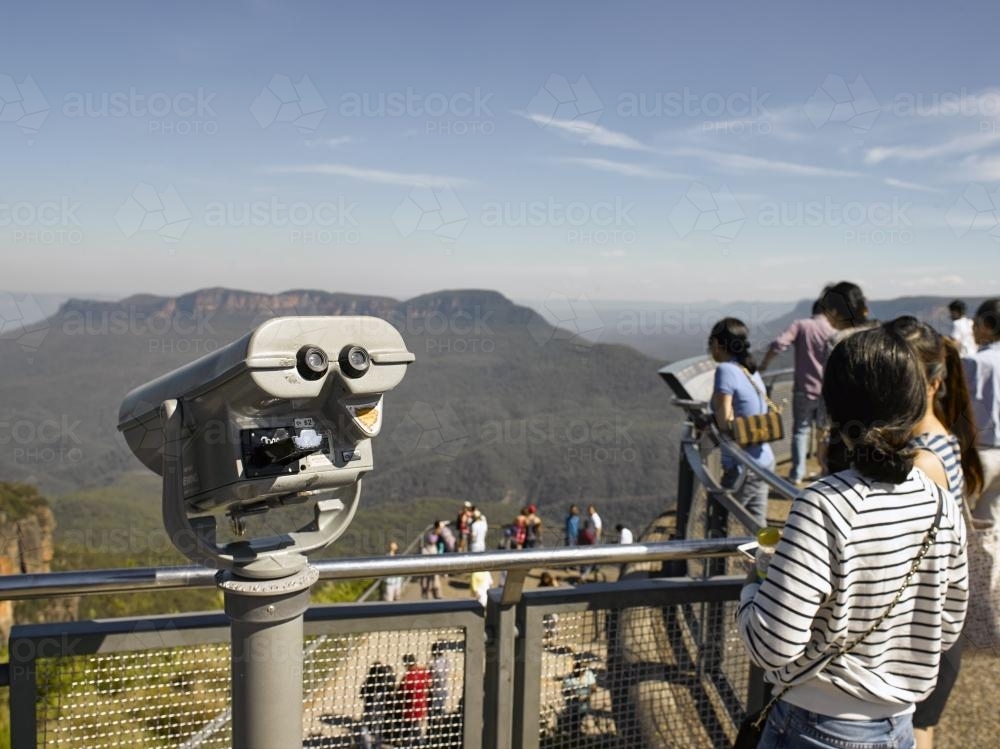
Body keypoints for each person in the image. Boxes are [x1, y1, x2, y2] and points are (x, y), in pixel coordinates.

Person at [737, 326, 968, 749]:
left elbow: (771, 645)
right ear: (916, 402)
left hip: (813, 727)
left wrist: (754, 583)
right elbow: (948, 624)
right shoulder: (940, 503)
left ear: (833, 410)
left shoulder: (822, 505)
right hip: (898, 729)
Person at [893, 316, 983, 749]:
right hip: (939, 621)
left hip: (925, 625)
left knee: (916, 729)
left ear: (931, 382)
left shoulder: (924, 457)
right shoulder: (942, 439)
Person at [759, 289, 837, 484]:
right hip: (827, 393)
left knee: (801, 431)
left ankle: (797, 474)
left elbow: (778, 344)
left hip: (804, 390)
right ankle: (824, 470)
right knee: (823, 432)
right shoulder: (833, 332)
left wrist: (763, 366)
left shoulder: (801, 325)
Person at [708, 317, 776, 529]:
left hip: (742, 465)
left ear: (718, 345)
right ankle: (762, 562)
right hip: (764, 460)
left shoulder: (725, 370)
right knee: (758, 528)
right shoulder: (749, 370)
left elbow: (724, 419)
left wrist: (705, 420)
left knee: (721, 525)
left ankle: (718, 564)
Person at [963, 299, 1000, 525]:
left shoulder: (974, 362)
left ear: (985, 326)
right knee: (992, 523)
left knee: (965, 524)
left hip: (980, 453)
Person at [359, 662, 396, 749]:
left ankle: (367, 746)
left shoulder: (368, 683)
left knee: (364, 728)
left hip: (369, 709)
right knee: (378, 729)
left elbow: (361, 695)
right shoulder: (384, 683)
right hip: (380, 710)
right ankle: (377, 746)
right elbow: (391, 691)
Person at [557, 658, 597, 739]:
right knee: (574, 721)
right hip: (572, 705)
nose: (581, 674)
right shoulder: (568, 678)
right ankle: (574, 735)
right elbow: (564, 690)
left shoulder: (589, 674)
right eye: (578, 672)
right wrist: (573, 694)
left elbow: (594, 688)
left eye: (583, 672)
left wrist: (587, 696)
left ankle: (577, 734)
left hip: (584, 705)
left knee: (581, 720)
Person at [400, 654, 431, 747]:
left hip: (410, 711)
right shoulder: (423, 671)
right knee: (413, 729)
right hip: (421, 706)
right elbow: (429, 684)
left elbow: (400, 695)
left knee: (413, 730)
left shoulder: (407, 678)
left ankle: (420, 743)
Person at [419, 529, 442, 600]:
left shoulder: (425, 549)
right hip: (429, 568)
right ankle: (432, 595)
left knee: (431, 583)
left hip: (429, 568)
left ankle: (430, 595)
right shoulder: (433, 548)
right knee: (429, 582)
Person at [429, 643, 449, 718]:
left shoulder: (434, 663)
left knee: (435, 712)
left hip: (436, 691)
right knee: (441, 709)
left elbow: (436, 676)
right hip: (444, 689)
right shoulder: (446, 661)